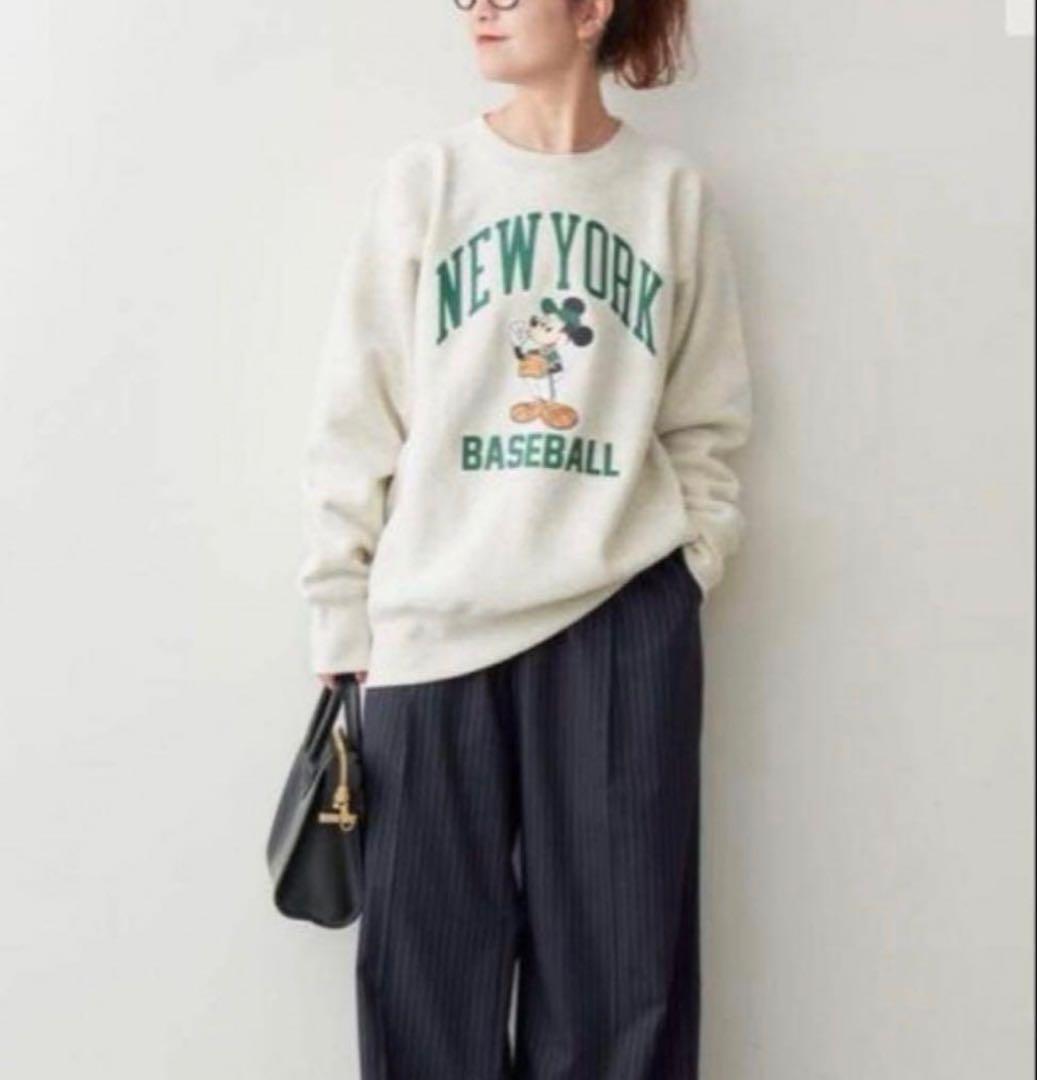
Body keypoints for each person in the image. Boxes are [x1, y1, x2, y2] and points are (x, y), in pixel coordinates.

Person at [297, 0, 753, 1074]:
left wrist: (687, 566)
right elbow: (355, 413)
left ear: (590, 10)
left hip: (617, 617)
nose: (480, 8)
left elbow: (706, 422)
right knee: (425, 985)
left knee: (619, 988)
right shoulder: (429, 182)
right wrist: (339, 605)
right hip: (431, 626)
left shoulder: (669, 195)